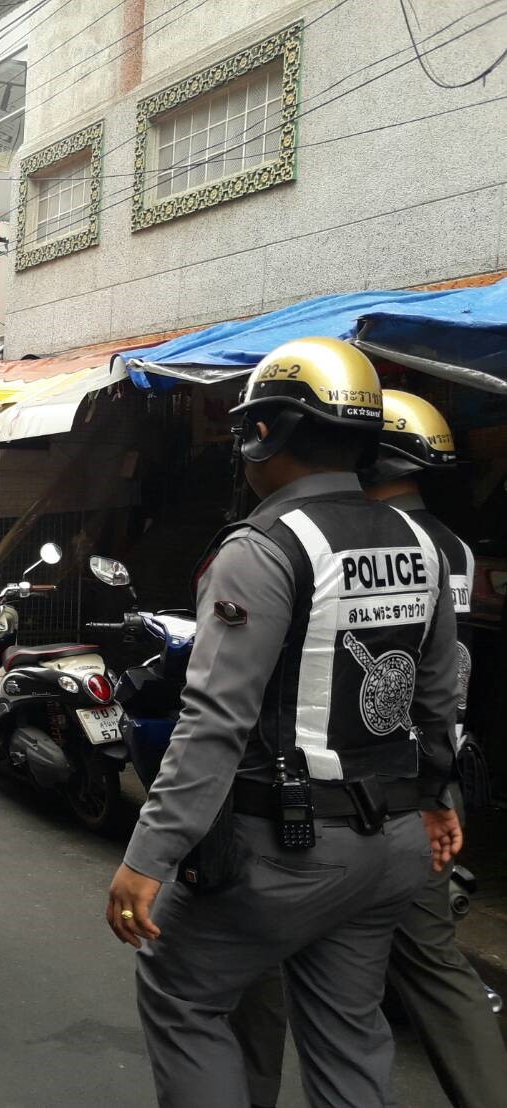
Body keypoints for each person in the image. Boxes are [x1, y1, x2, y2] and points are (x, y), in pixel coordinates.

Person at [105, 339, 463, 1108]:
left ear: (264, 432)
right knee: (346, 1035)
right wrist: (437, 797)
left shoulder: (264, 547)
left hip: (287, 852)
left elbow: (212, 721)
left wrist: (147, 855)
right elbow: (437, 701)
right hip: (391, 846)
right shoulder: (420, 547)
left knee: (183, 994)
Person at [234, 389, 507, 1108]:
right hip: (418, 795)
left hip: (322, 796)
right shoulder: (444, 547)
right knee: (428, 973)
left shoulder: (308, 539)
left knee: (248, 972)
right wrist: (437, 795)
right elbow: (447, 683)